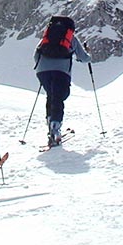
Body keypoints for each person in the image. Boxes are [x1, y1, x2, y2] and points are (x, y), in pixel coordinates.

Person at [33, 16, 91, 147]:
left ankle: (51, 124)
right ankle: (55, 128)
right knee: (59, 97)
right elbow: (84, 58)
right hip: (61, 72)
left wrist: (43, 66)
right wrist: (89, 55)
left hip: (42, 71)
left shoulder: (46, 38)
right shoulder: (70, 39)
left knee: (51, 96)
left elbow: (36, 55)